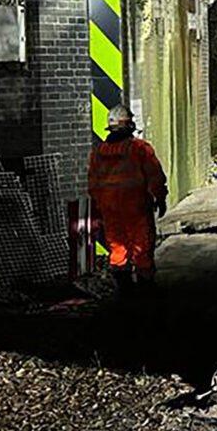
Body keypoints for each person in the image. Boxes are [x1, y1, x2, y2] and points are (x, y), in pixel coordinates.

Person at [88, 104, 168, 295]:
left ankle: (124, 290)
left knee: (117, 247)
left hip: (110, 210)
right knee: (142, 246)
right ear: (129, 125)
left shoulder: (98, 153)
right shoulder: (140, 149)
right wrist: (160, 197)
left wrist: (99, 206)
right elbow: (154, 176)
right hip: (136, 208)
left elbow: (93, 183)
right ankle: (145, 288)